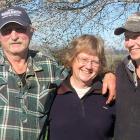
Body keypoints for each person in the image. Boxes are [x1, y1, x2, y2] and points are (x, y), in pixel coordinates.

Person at [0, 6, 116, 140]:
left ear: (31, 32)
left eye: (20, 29)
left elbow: (81, 73)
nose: (14, 36)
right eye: (6, 31)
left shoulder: (49, 67)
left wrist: (108, 75)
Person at [48, 34, 115, 140]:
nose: (89, 66)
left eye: (95, 62)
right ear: (72, 59)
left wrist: (110, 74)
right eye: (84, 59)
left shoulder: (109, 94)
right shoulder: (53, 92)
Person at [114, 12, 140, 140]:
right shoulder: (121, 70)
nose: (129, 43)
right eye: (126, 37)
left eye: (135, 36)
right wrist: (107, 74)